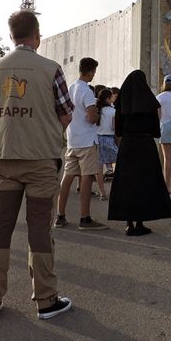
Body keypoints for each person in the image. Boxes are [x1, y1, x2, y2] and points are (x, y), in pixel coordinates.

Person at [0, 10, 74, 321]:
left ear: (11, 36)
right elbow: (65, 115)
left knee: (0, 226)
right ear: (37, 35)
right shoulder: (51, 69)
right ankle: (46, 299)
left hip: (5, 157)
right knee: (38, 229)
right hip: (40, 160)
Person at [108, 70, 171, 236]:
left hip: (127, 146)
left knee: (127, 185)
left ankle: (129, 223)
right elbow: (155, 130)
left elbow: (118, 130)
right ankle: (140, 222)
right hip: (145, 146)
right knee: (144, 184)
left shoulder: (121, 103)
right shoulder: (149, 102)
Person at [55, 57, 108, 230]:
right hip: (87, 140)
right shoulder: (87, 91)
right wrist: (96, 116)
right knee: (87, 178)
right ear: (91, 71)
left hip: (72, 139)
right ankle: (85, 218)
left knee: (67, 178)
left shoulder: (71, 88)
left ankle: (60, 215)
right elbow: (92, 117)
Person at [96, 88, 117, 193]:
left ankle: (102, 193)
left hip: (98, 140)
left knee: (99, 167)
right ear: (108, 98)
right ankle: (117, 190)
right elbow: (114, 128)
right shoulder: (113, 111)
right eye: (112, 96)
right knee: (117, 161)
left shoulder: (98, 111)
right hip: (109, 139)